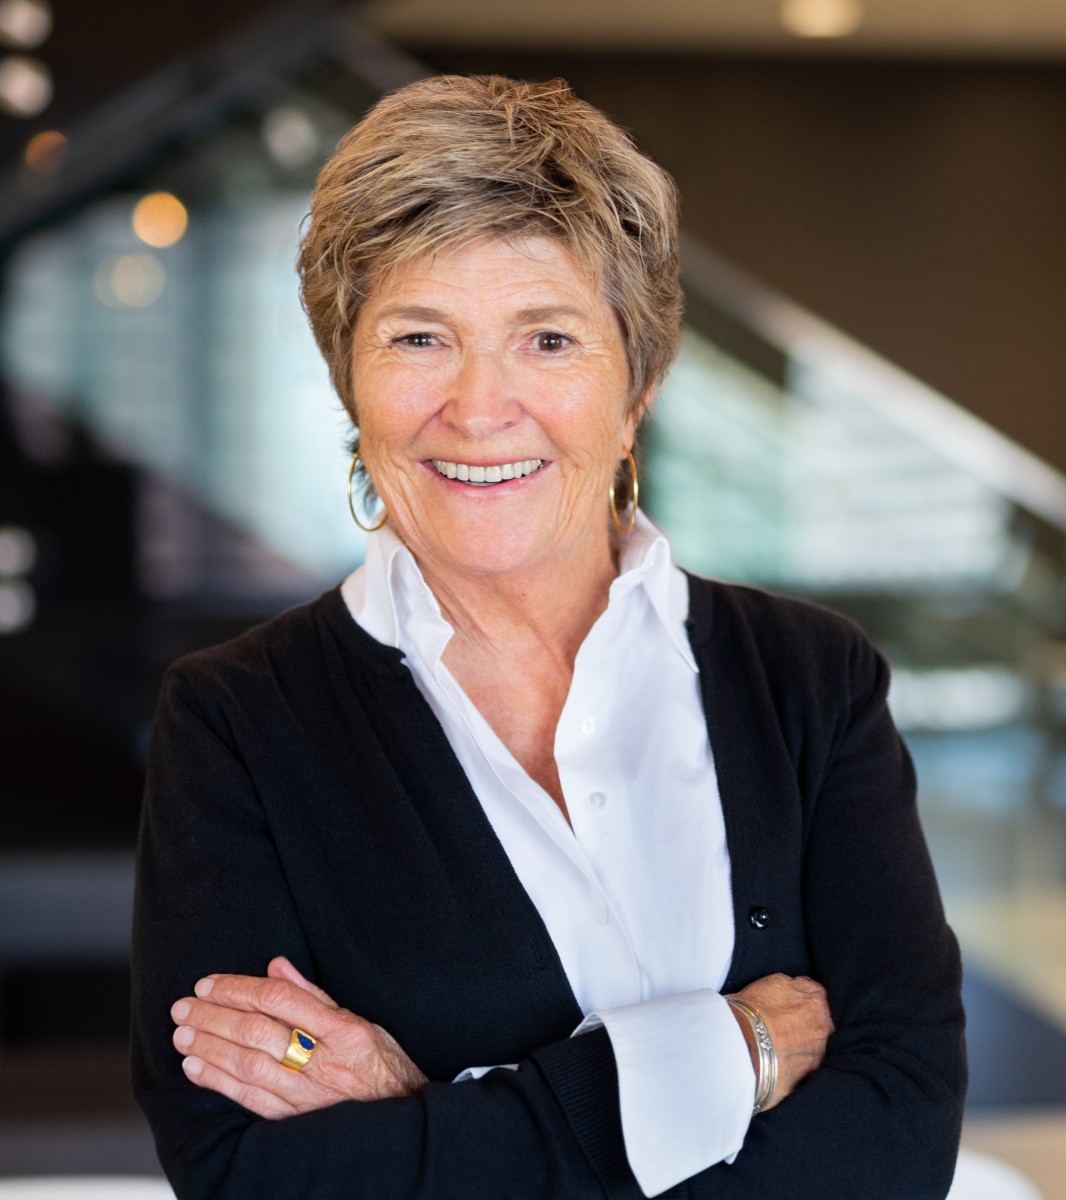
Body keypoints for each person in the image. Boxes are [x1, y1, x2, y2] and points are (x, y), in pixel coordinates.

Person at [131, 74, 966, 1199]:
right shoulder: (236, 723)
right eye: (419, 336)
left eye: (548, 339)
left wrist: (418, 1111)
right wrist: (725, 1055)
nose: (478, 408)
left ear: (640, 386)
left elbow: (899, 1143)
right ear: (349, 381)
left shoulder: (808, 681)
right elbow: (248, 1177)